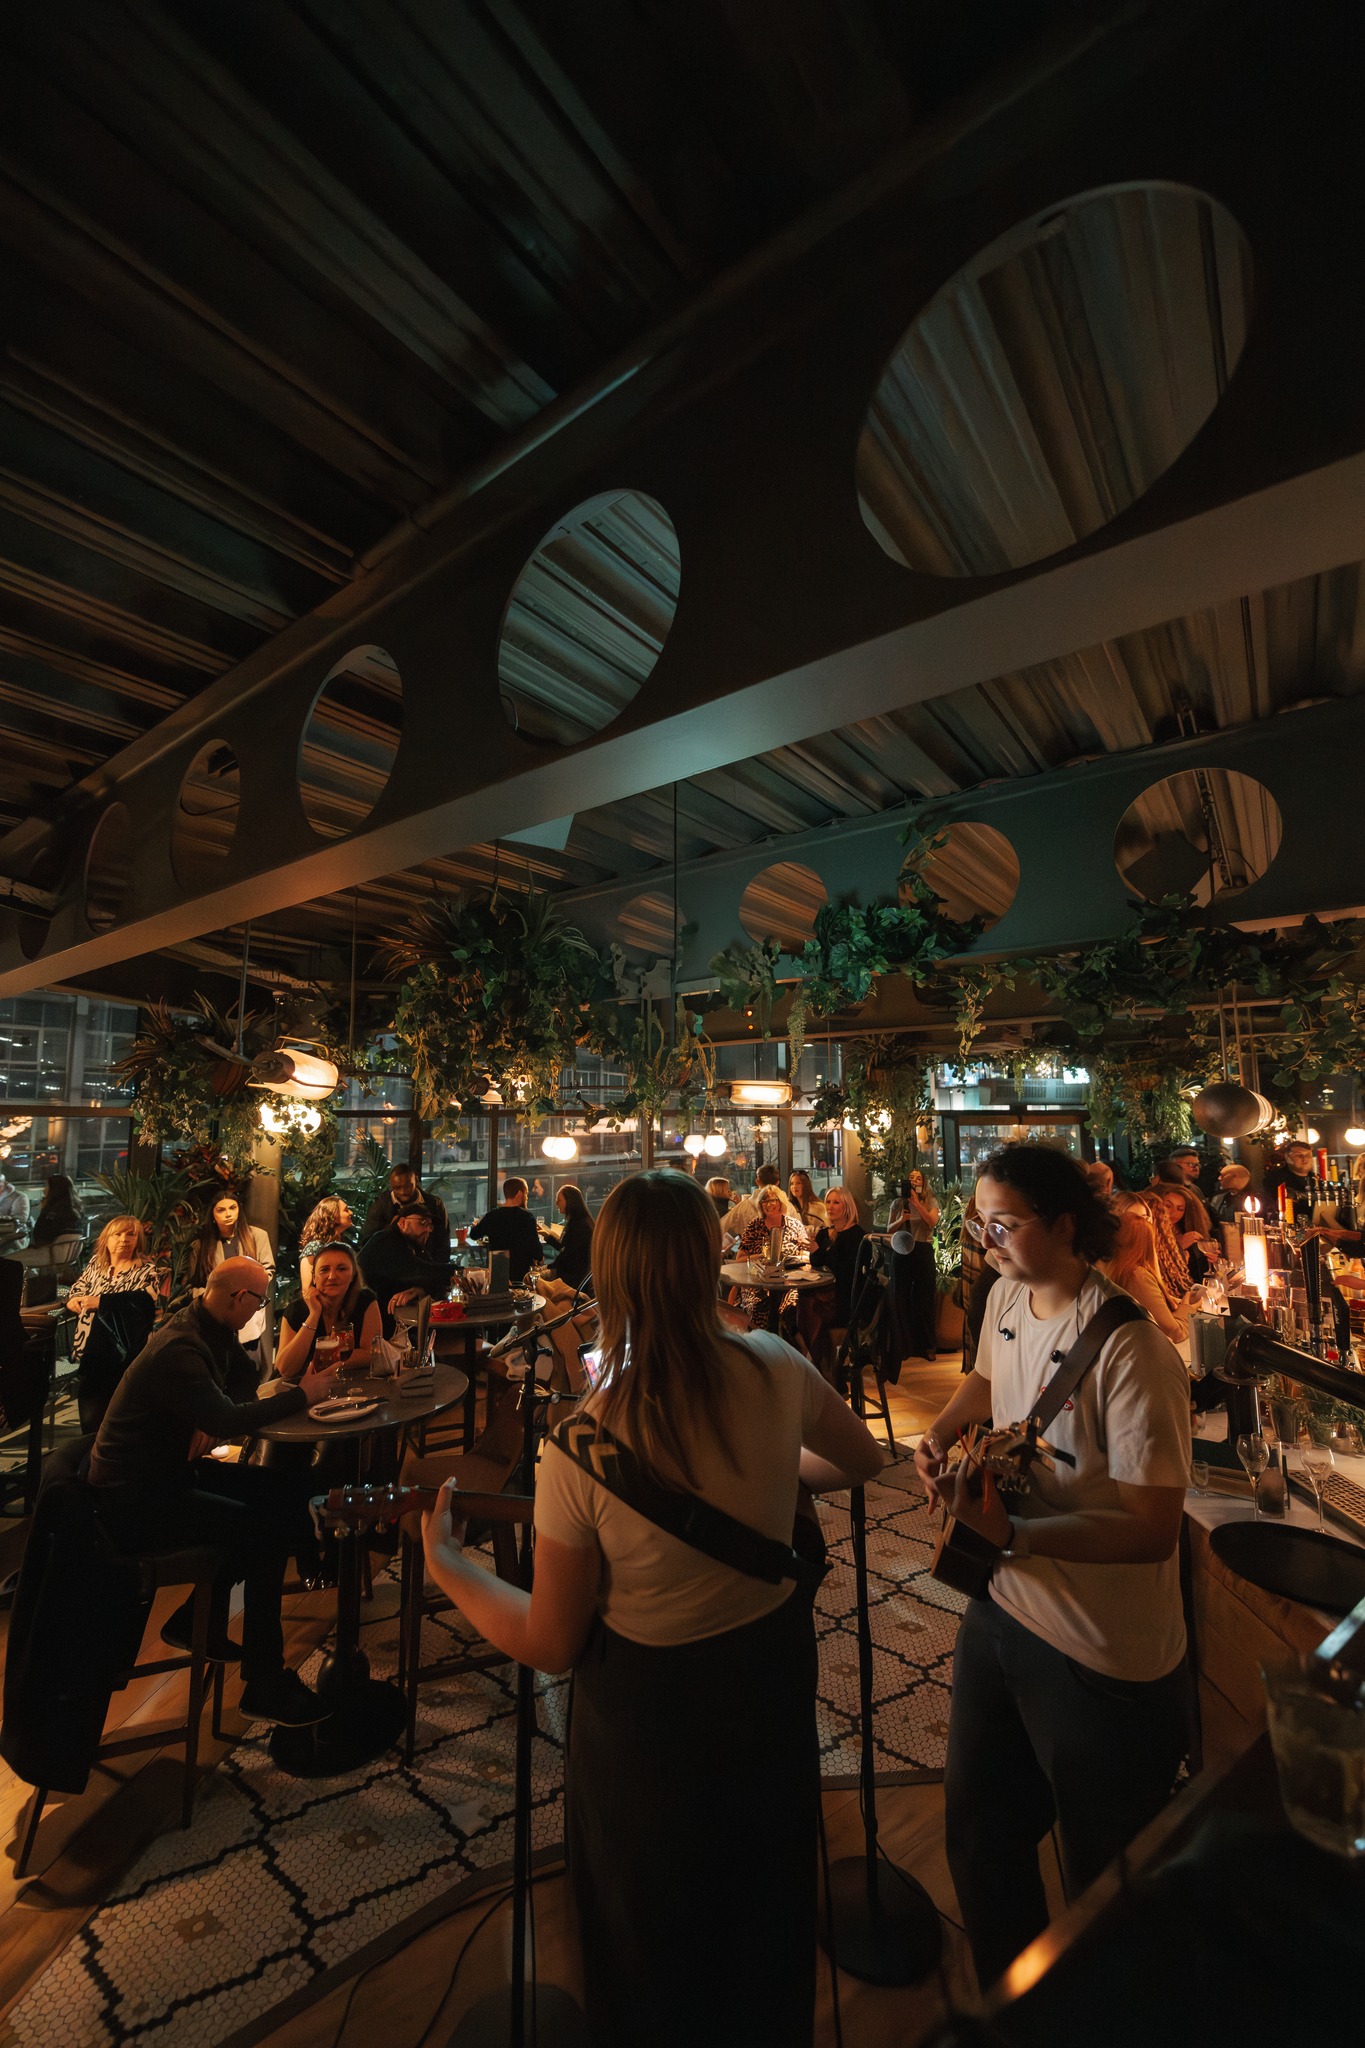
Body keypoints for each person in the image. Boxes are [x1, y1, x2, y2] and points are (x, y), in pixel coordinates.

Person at [421, 1169, 882, 2046]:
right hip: (771, 1679)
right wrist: (776, 1479)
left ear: (612, 1276)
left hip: (651, 1721)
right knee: (766, 1899)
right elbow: (860, 1458)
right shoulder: (776, 1364)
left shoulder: (581, 1446)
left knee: (652, 1936)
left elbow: (551, 1642)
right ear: (712, 1258)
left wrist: (445, 1563)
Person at [916, 1146, 1191, 1990]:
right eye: (979, 1223)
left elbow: (1151, 1528)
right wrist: (937, 1433)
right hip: (1000, 1614)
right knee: (979, 1836)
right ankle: (1018, 2008)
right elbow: (985, 1382)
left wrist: (1016, 1539)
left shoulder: (1130, 1348)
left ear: (1065, 1225)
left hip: (1101, 1651)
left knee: (1106, 1879)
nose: (985, 1239)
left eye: (1003, 1224)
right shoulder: (1003, 1295)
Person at [89, 1258, 337, 1727]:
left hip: (167, 1474)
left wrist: (211, 1413)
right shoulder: (181, 1347)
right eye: (258, 1301)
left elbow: (242, 1390)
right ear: (238, 1298)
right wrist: (304, 1395)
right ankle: (264, 1683)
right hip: (133, 1500)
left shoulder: (208, 1328)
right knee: (263, 1532)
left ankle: (193, 1621)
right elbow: (229, 1418)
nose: (258, 1310)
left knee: (278, 1493)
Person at [275, 1242, 382, 1380]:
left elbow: (373, 1353)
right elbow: (285, 1369)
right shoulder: (296, 1310)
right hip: (297, 1388)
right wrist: (314, 1315)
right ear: (314, 1277)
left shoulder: (365, 1301)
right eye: (324, 1270)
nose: (332, 1276)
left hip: (348, 1384)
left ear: (353, 1274)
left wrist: (324, 1360)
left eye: (341, 1269)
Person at [66, 1216, 162, 1364]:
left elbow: (143, 1308)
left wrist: (101, 1303)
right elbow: (80, 1285)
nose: (124, 1239)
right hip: (88, 1345)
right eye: (118, 1234)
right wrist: (74, 1298)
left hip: (120, 1351)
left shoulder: (146, 1271)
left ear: (138, 1240)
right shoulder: (96, 1263)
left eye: (131, 1234)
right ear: (106, 1239)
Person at [188, 1192, 274, 1353]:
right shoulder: (202, 1244)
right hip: (216, 1313)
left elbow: (268, 1270)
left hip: (247, 1308)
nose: (228, 1214)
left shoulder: (257, 1236)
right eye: (221, 1210)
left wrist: (252, 1292)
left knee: (250, 1362)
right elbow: (194, 1282)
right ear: (212, 1214)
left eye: (232, 1208)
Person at [1099, 1199, 1189, 1344]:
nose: (1143, 1221)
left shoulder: (1107, 1269)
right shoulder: (1136, 1275)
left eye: (1146, 1217)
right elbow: (1173, 1332)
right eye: (1136, 1216)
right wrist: (1187, 1309)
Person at [359, 1200, 454, 1335]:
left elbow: (430, 1271)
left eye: (429, 1225)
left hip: (393, 1318)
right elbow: (424, 1272)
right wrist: (460, 1272)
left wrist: (420, 1289)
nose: (427, 1230)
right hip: (375, 1325)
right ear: (402, 1223)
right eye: (422, 1223)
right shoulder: (387, 1242)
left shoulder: (412, 1245)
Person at [735, 1185, 807, 1329]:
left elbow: (806, 1254)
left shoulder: (794, 1225)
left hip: (789, 1282)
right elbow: (740, 1259)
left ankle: (792, 1348)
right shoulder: (754, 1226)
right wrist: (763, 1255)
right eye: (764, 1201)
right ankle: (761, 1347)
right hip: (757, 1282)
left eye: (772, 1200)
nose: (768, 1204)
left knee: (793, 1308)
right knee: (759, 1308)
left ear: (781, 1201)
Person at [888, 1170, 940, 1361]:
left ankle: (927, 1346)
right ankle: (903, 1346)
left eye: (918, 1179)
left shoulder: (930, 1201)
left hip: (922, 1249)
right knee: (899, 1297)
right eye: (910, 1178)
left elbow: (932, 1222)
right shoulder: (897, 1203)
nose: (914, 1181)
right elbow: (889, 1228)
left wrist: (917, 1203)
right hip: (902, 1248)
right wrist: (902, 1218)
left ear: (923, 1183)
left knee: (924, 1297)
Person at [360, 1163, 450, 1263]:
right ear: (391, 1186)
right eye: (397, 1188)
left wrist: (437, 1270)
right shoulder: (381, 1206)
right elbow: (367, 1244)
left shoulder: (435, 1205)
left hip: (428, 1267)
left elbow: (443, 1244)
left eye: (407, 1186)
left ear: (416, 1180)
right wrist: (391, 1228)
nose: (402, 1192)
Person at [470, 1176, 542, 1286]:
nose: (526, 1197)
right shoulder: (527, 1217)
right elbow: (536, 1249)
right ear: (519, 1194)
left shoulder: (492, 1216)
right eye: (526, 1193)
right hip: (522, 1273)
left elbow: (474, 1235)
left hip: (498, 1271)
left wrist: (474, 1225)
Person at [720, 1162, 798, 1243]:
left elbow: (721, 1228)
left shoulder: (742, 1208)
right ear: (777, 1182)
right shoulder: (788, 1207)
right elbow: (798, 1235)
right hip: (784, 1253)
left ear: (757, 1181)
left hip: (751, 1253)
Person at [1145, 1185, 1195, 1303]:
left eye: (1180, 1209)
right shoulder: (1150, 1239)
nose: (1173, 1213)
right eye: (1168, 1206)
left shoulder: (1180, 1233)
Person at [297, 1196, 354, 1295]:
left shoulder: (343, 1246)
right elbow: (307, 1290)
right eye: (346, 1210)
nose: (351, 1213)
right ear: (334, 1215)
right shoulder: (314, 1247)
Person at [546, 1184, 593, 1293]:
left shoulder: (577, 1226)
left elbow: (567, 1254)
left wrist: (548, 1267)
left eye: (559, 1200)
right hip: (575, 1274)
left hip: (570, 1276)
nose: (556, 1203)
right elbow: (566, 1248)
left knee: (530, 1278)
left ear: (570, 1202)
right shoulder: (582, 1222)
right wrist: (547, 1235)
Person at [29, 1175, 84, 1247]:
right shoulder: (76, 1212)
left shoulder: (50, 1214)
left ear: (55, 1190)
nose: (44, 1189)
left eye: (47, 1186)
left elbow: (39, 1235)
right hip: (68, 1255)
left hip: (46, 1253)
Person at [788, 1169, 827, 1233]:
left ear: (805, 1185)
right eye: (792, 1184)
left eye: (798, 1183)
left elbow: (828, 1228)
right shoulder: (790, 1207)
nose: (794, 1186)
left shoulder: (818, 1206)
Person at [0, 1172, 30, 1246]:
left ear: (3, 1184)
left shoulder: (19, 1197)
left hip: (12, 1238)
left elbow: (22, 1218)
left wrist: (2, 1218)